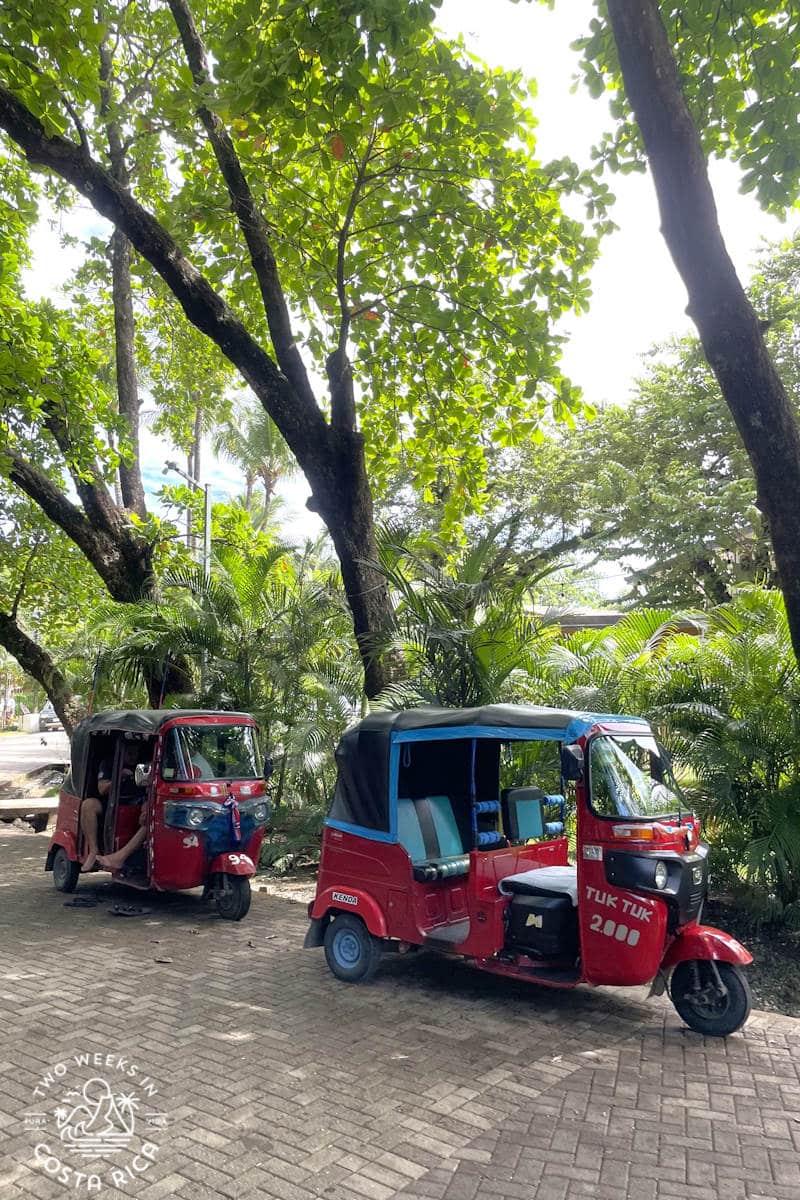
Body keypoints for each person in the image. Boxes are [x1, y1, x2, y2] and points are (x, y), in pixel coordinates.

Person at [79, 743, 148, 872]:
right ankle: (93, 850)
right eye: (129, 753)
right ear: (123, 751)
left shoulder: (143, 764)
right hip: (112, 804)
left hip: (137, 803)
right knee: (88, 805)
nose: (133, 756)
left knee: (148, 814)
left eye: (136, 752)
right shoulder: (109, 763)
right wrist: (118, 777)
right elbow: (102, 789)